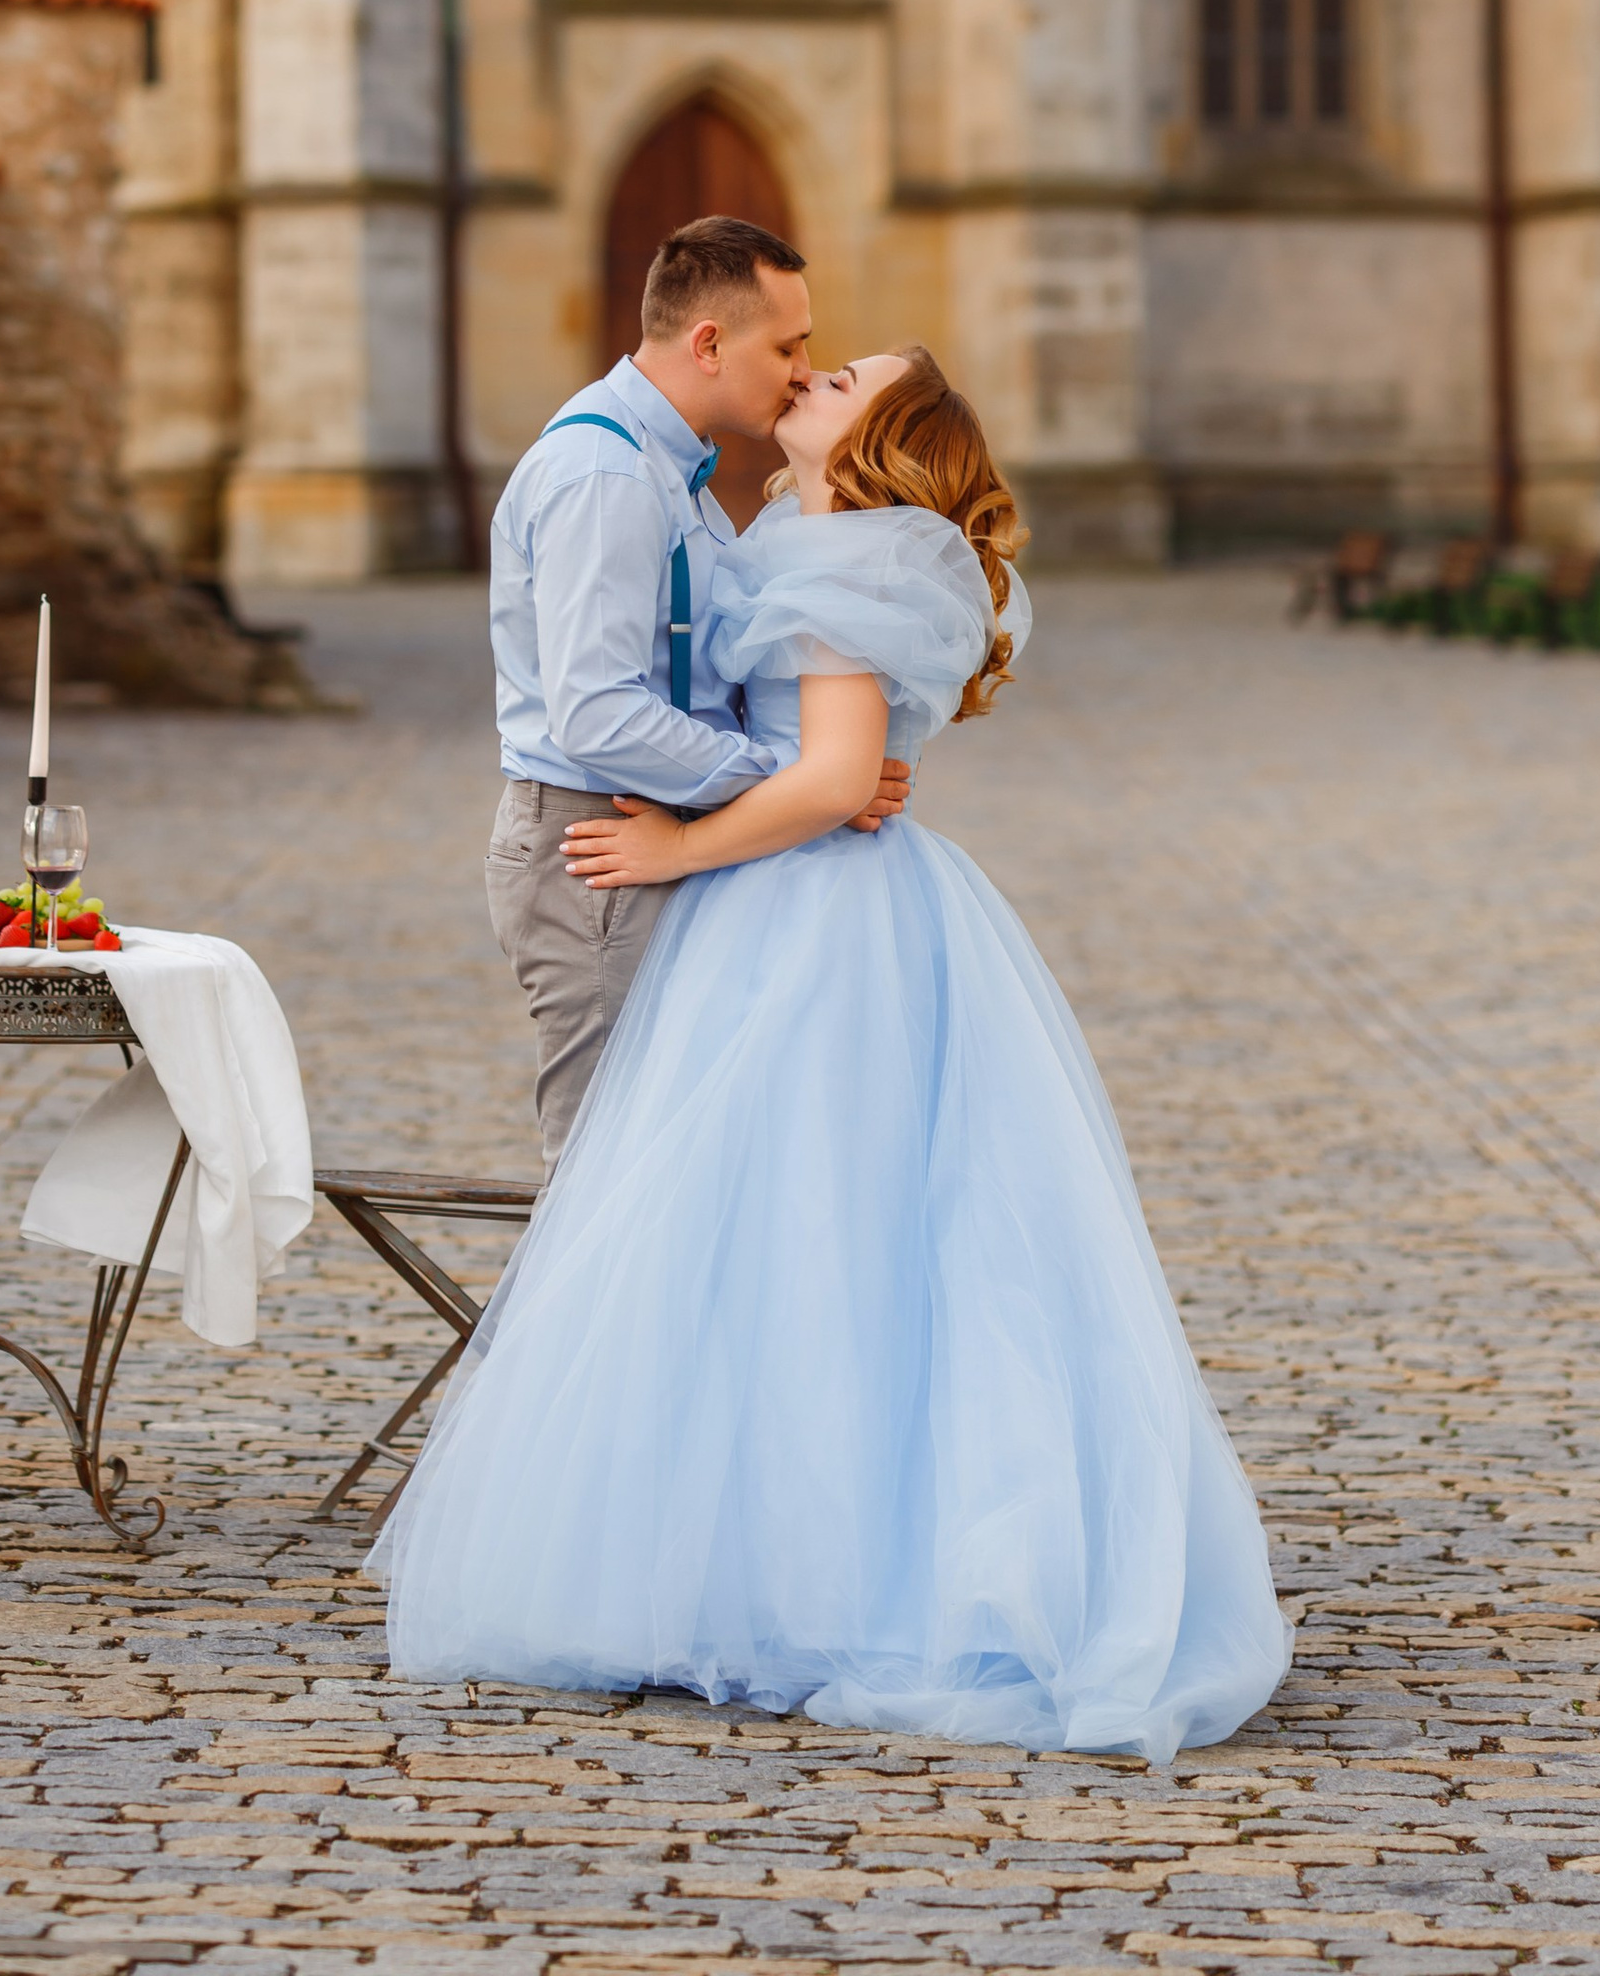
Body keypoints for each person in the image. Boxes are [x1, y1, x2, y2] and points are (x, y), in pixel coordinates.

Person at [375, 345, 1293, 1761]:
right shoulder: (792, 532)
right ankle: (742, 1549)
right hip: (795, 904)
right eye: (811, 354)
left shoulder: (847, 554)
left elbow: (826, 776)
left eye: (848, 374)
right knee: (771, 1240)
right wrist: (827, 775)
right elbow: (827, 760)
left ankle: (831, 1572)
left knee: (823, 1236)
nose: (819, 368)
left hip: (817, 922)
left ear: (884, 435)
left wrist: (687, 836)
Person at [483, 214, 910, 1162]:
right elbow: (595, 710)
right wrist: (786, 780)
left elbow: (709, 666)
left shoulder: (675, 468)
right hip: (598, 842)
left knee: (676, 1163)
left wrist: (824, 772)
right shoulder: (609, 472)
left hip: (660, 828)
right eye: (789, 346)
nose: (804, 369)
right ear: (709, 343)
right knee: (610, 1169)